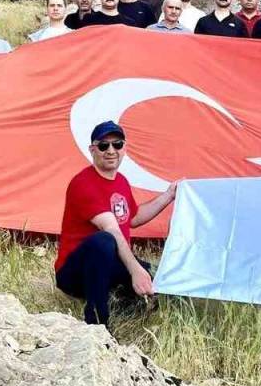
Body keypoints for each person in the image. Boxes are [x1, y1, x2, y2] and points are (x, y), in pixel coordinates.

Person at [55, 121, 178, 327]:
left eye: (117, 144)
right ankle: (96, 324)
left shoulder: (121, 181)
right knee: (104, 241)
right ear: (92, 150)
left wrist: (168, 196)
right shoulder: (83, 183)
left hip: (107, 265)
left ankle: (127, 304)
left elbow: (133, 218)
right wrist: (135, 270)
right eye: (104, 146)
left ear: (124, 148)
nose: (111, 151)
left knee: (164, 280)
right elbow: (111, 228)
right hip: (75, 272)